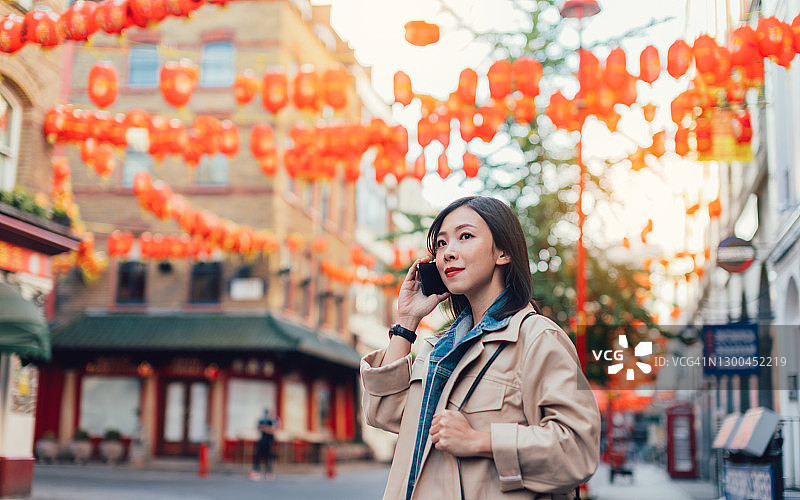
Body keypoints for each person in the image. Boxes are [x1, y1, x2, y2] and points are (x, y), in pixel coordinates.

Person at [361, 196, 601, 500]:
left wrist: (479, 441)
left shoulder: (539, 337)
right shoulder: (439, 349)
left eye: (465, 236)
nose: (448, 252)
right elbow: (384, 413)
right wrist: (406, 322)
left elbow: (578, 450)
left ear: (503, 252)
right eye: (441, 243)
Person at [250, 408, 280, 481]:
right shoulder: (262, 419)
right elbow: (258, 427)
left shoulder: (274, 419)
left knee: (269, 456)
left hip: (269, 440)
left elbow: (274, 429)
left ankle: (269, 472)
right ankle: (256, 471)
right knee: (258, 454)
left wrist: (266, 429)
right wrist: (267, 429)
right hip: (262, 439)